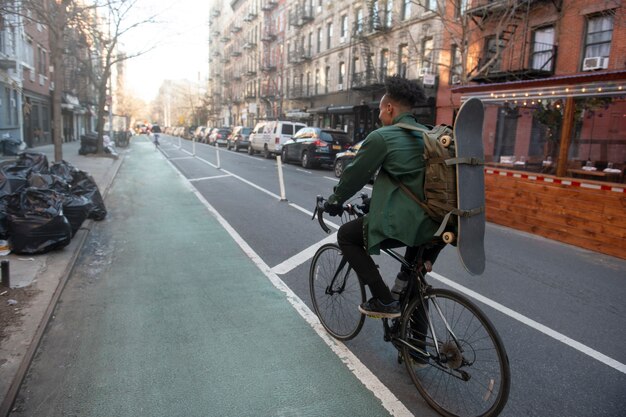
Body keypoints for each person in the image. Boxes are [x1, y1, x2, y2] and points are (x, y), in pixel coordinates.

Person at [325, 75, 441, 319]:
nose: (378, 116)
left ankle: (384, 301)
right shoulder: (431, 135)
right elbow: (410, 181)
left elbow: (354, 176)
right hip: (438, 224)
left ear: (389, 108)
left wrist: (334, 201)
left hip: (408, 224)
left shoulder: (383, 137)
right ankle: (417, 350)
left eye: (379, 110)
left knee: (346, 236)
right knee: (412, 281)